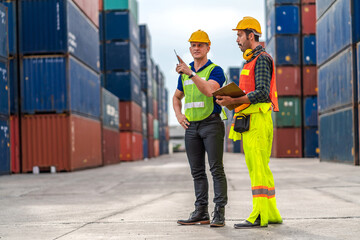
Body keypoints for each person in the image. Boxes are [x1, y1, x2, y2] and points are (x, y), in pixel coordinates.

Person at [215, 17, 283, 228]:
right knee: (262, 167)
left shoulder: (261, 59)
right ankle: (271, 213)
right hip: (252, 120)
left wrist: (233, 100)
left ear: (250, 36)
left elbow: (263, 93)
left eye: (239, 35)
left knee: (257, 169)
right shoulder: (251, 60)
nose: (237, 39)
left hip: (257, 121)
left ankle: (259, 215)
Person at [172, 30, 228, 227]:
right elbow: (176, 97)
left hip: (212, 124)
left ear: (208, 48)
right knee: (197, 172)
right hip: (191, 128)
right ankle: (201, 212)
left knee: (216, 169)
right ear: (190, 48)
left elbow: (210, 90)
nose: (196, 48)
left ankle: (219, 213)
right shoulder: (184, 75)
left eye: (200, 45)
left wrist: (191, 73)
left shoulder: (215, 70)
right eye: (193, 45)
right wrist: (179, 115)